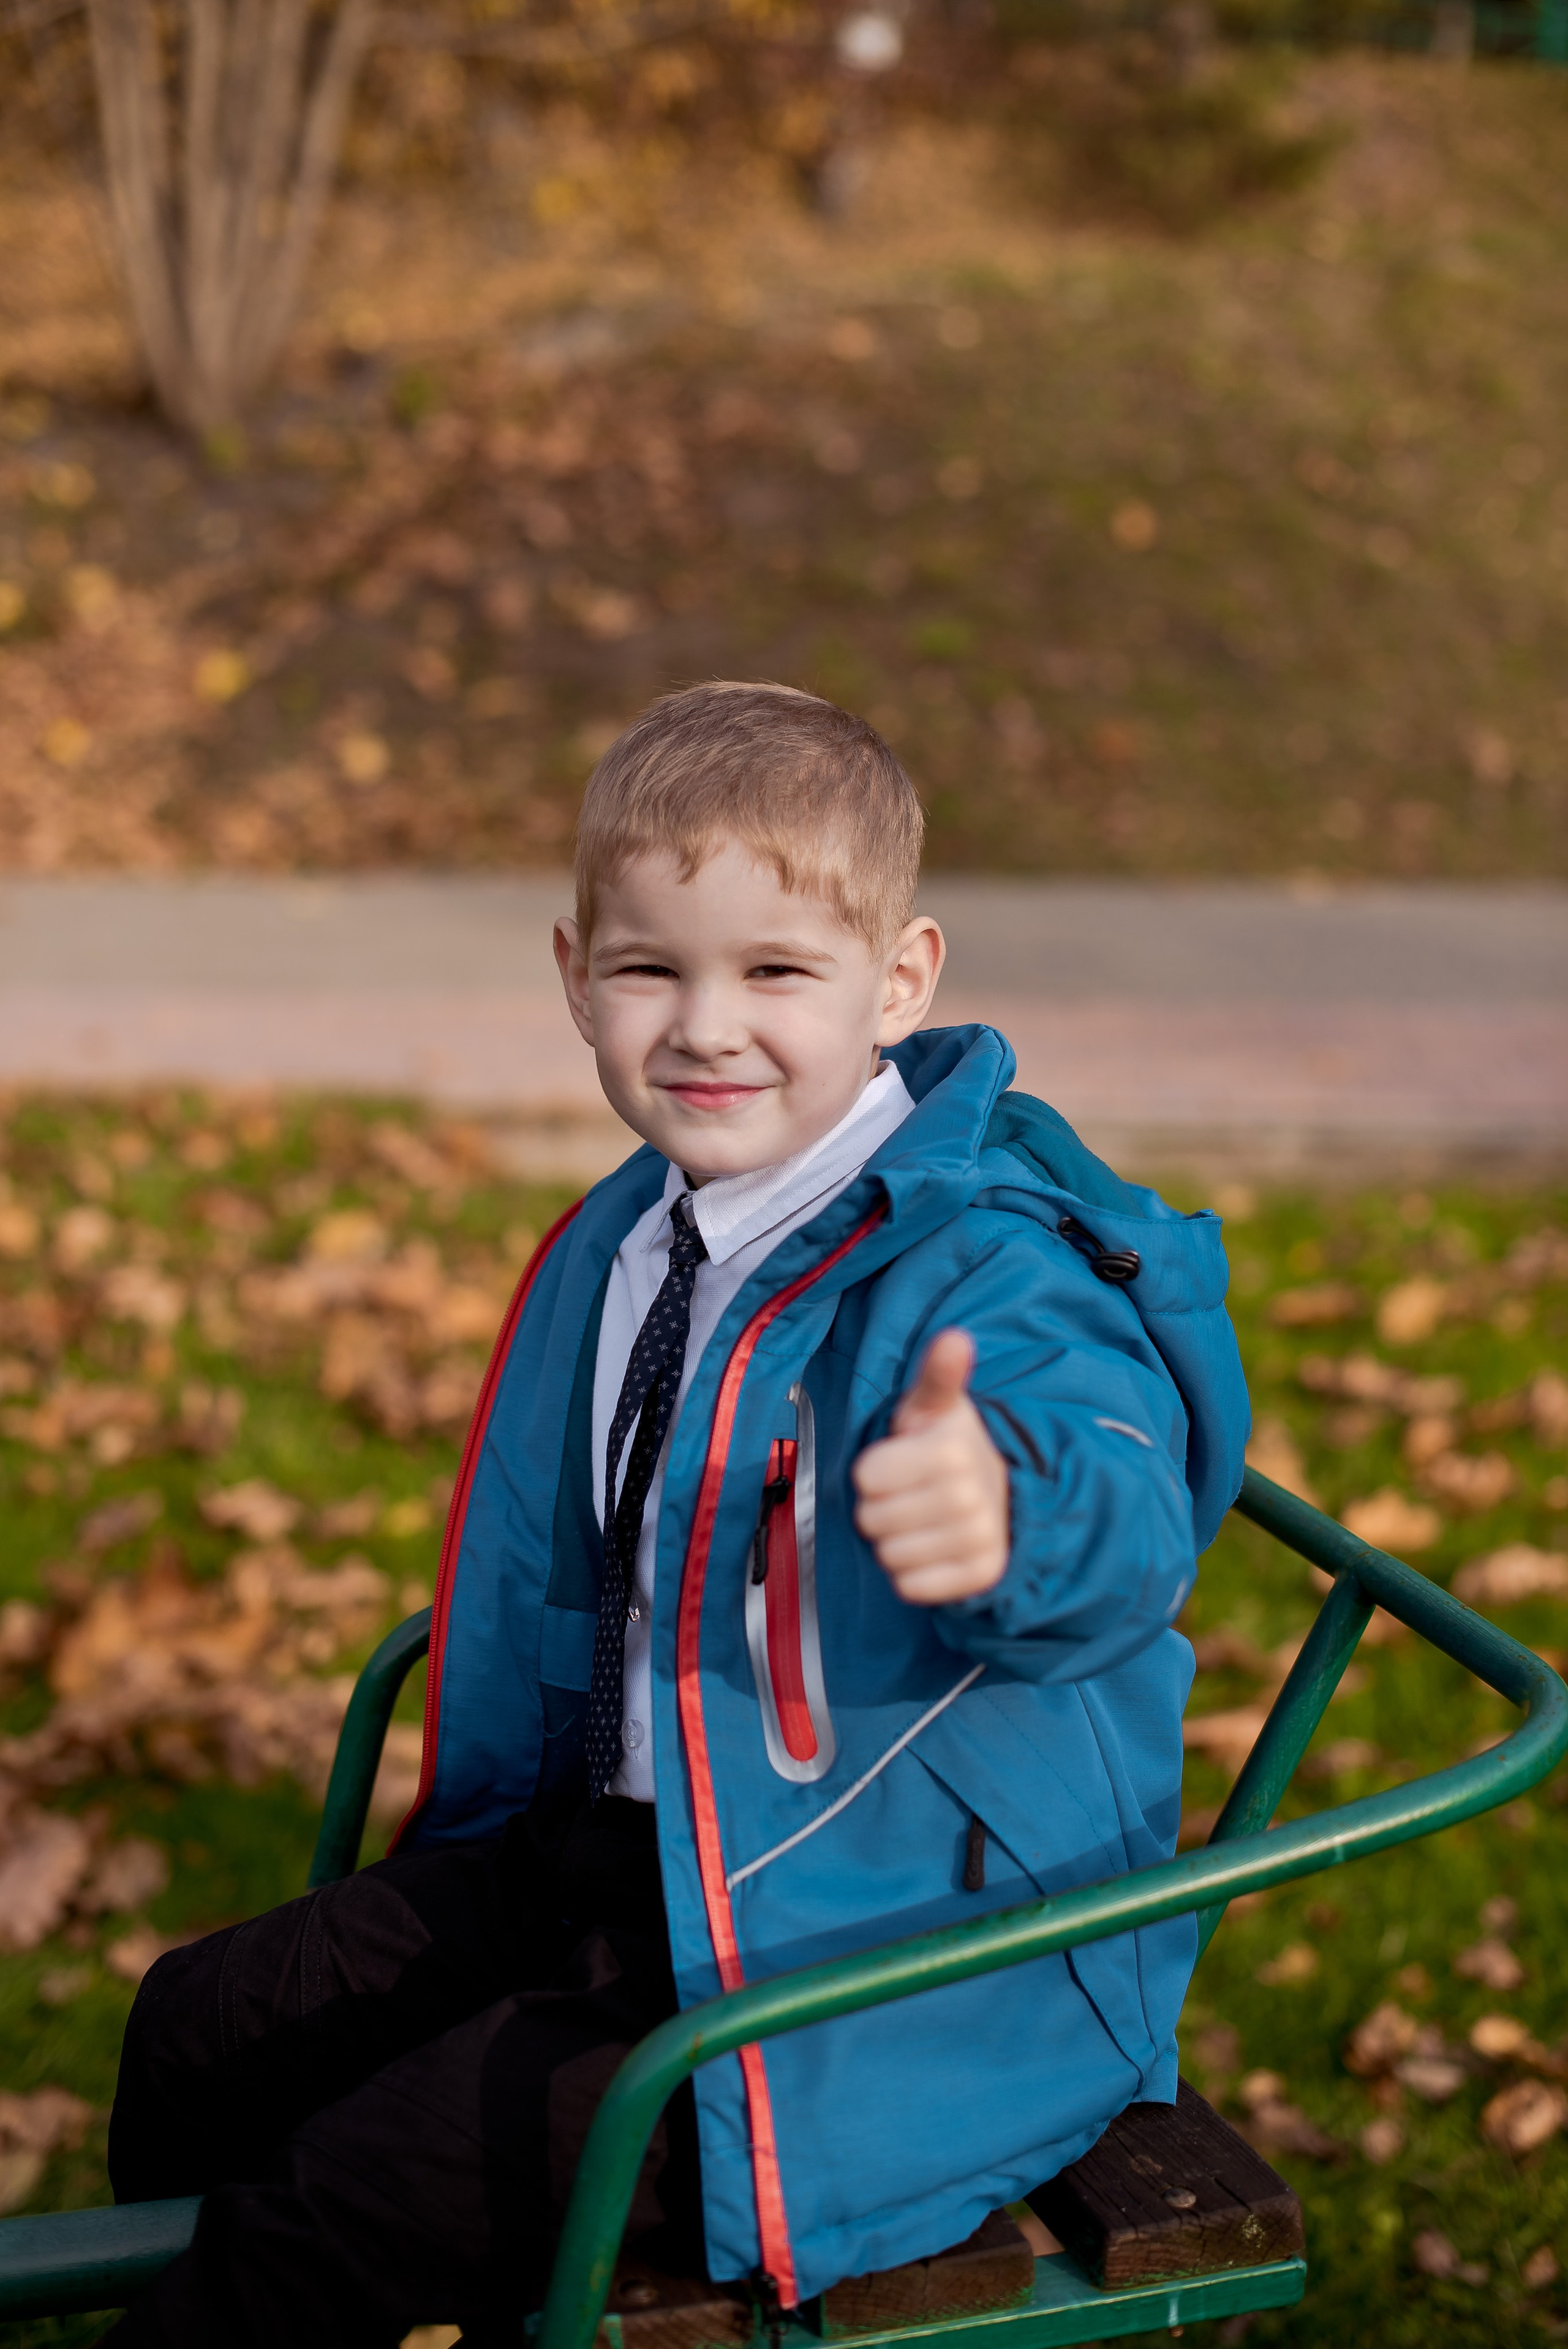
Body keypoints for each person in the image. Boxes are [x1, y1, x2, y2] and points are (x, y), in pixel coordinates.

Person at [103, 682, 1250, 2348]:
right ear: (576, 980)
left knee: (341, 2204)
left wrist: (1010, 1516)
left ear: (900, 977)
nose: (708, 1026)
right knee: (202, 2025)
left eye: (778, 970)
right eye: (653, 966)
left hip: (890, 1948)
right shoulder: (644, 1225)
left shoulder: (985, 1256)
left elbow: (1117, 1499)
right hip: (639, 1854)